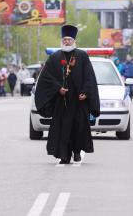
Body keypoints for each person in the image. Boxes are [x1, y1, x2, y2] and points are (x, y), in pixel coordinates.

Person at [35, 24, 100, 164]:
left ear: (74, 41)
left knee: (78, 128)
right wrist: (58, 88)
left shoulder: (82, 56)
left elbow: (89, 77)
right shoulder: (54, 57)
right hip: (62, 101)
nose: (66, 42)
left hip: (78, 101)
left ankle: (77, 152)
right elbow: (46, 77)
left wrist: (86, 92)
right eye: (64, 39)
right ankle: (64, 155)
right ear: (61, 40)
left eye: (69, 39)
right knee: (63, 129)